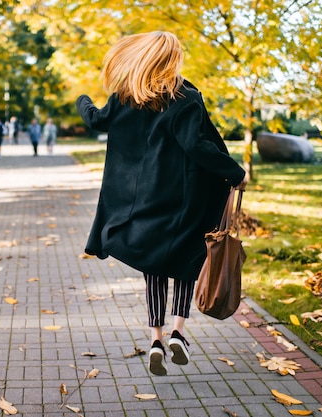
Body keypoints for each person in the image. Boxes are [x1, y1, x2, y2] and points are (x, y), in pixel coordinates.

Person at [76, 31, 248, 376]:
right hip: (183, 202)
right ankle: (178, 333)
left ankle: (155, 339)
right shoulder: (185, 97)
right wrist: (235, 172)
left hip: (141, 203)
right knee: (185, 263)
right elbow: (197, 146)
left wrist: (82, 99)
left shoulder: (125, 95)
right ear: (172, 59)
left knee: (153, 268)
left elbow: (96, 119)